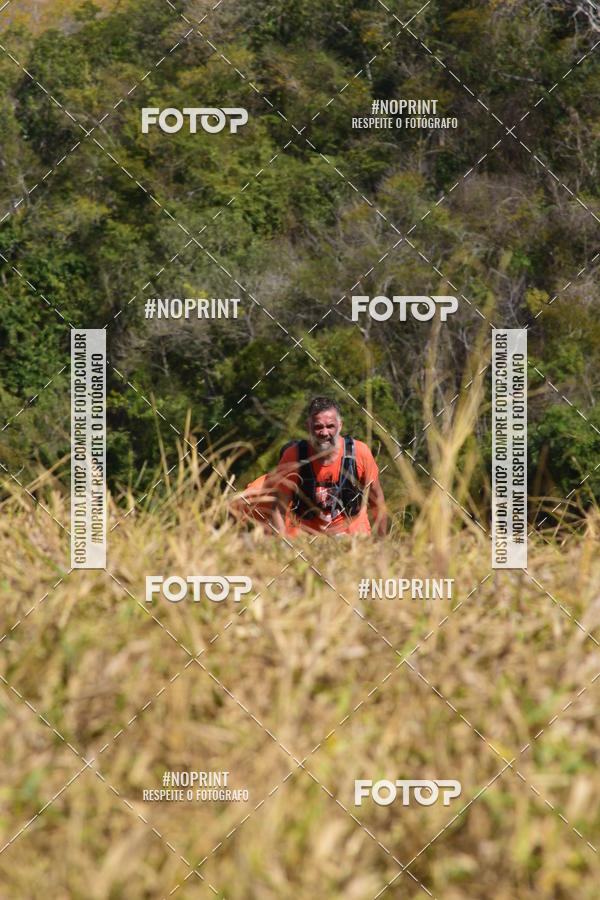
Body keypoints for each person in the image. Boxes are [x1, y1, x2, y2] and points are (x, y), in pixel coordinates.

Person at [271, 396, 387, 537]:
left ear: (340, 425)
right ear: (308, 427)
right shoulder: (293, 456)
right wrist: (283, 546)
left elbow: (377, 500)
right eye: (318, 427)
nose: (324, 433)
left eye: (330, 426)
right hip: (311, 542)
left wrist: (382, 542)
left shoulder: (359, 452)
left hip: (354, 541)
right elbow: (279, 507)